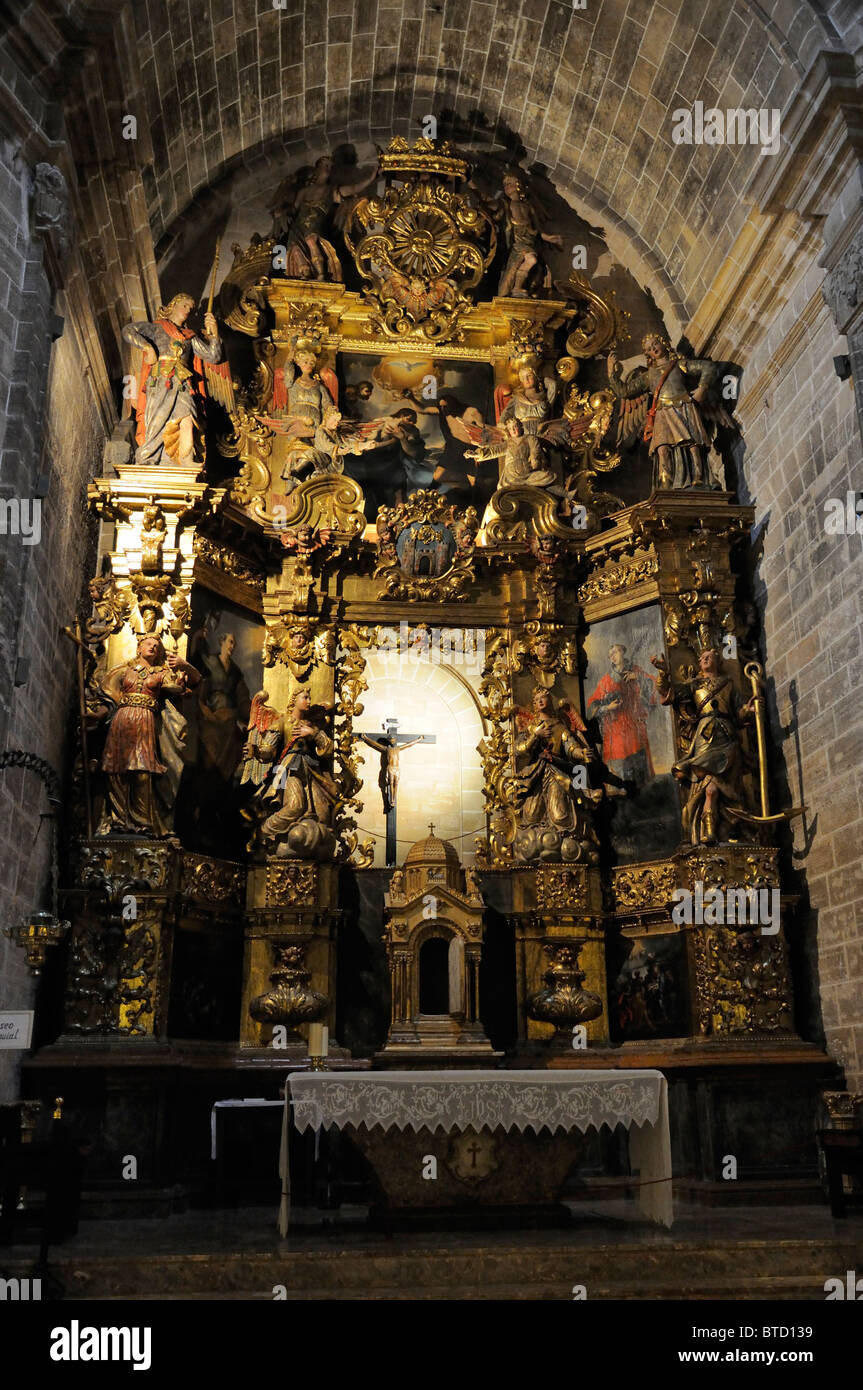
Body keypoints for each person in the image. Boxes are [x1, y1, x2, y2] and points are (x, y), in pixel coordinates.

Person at [97, 633, 200, 836]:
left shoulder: (161, 672)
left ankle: (143, 822)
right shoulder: (125, 669)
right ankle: (119, 820)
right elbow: (108, 696)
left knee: (142, 770)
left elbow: (189, 683)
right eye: (148, 644)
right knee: (116, 768)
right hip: (122, 718)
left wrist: (183, 666)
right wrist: (97, 714)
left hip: (145, 719)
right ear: (139, 648)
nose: (152, 647)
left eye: (156, 645)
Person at [652, 646, 756, 844]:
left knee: (727, 789)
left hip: (727, 737)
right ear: (699, 665)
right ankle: (707, 831)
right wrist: (663, 672)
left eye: (709, 657)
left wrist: (748, 710)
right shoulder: (695, 685)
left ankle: (728, 828)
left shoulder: (728, 684)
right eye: (702, 658)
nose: (705, 659)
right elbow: (669, 692)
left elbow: (739, 713)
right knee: (708, 789)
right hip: (705, 737)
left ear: (718, 661)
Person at [123, 293, 223, 467]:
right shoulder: (157, 328)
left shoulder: (189, 336)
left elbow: (214, 356)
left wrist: (213, 332)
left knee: (188, 416)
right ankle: (147, 456)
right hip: (161, 379)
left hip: (183, 382)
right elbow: (128, 331)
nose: (187, 310)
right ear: (173, 305)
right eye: (184, 305)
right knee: (158, 419)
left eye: (190, 309)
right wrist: (147, 347)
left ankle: (186, 457)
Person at [587, 643, 659, 783]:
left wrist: (637, 677)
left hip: (634, 724)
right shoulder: (606, 680)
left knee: (638, 764)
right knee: (620, 765)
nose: (612, 657)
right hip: (615, 729)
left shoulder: (636, 670)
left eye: (615, 652)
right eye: (610, 655)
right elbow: (592, 705)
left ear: (623, 652)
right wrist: (608, 707)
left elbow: (654, 685)